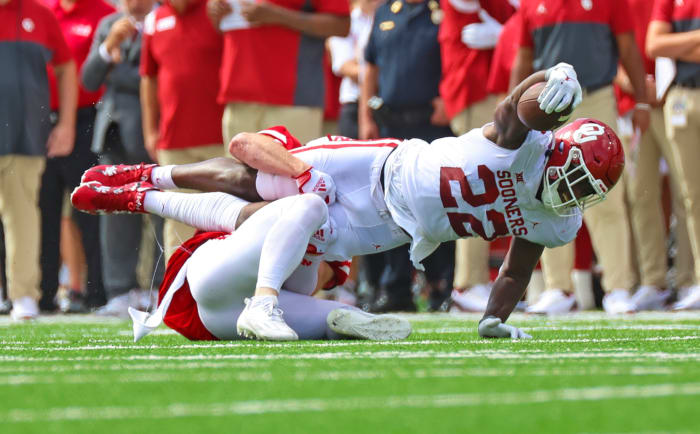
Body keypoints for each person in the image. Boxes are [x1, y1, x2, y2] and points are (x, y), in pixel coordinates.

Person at [72, 63, 624, 341]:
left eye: (583, 191)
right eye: (573, 176)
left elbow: (514, 271)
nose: (570, 192)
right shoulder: (525, 141)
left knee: (280, 222)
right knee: (265, 182)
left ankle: (144, 199)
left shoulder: (556, 219)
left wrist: (493, 322)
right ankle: (152, 177)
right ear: (560, 145)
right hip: (380, 166)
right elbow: (516, 106)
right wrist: (554, 75)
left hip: (394, 228)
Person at [511, 0, 649, 315]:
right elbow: (524, 58)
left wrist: (640, 102)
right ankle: (558, 288)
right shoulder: (531, 4)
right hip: (547, 102)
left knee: (606, 195)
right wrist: (513, 113)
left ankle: (617, 288)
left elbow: (628, 49)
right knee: (548, 194)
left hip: (596, 96)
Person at [359, 0, 455, 312]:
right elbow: (371, 67)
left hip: (432, 123)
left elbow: (456, 57)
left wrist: (449, 97)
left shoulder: (443, 9)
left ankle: (443, 287)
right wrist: (365, 117)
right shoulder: (386, 12)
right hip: (391, 122)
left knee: (438, 203)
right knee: (391, 206)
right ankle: (395, 287)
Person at [81, 0, 164, 317]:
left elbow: (155, 78)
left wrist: (115, 73)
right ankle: (119, 290)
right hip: (113, 132)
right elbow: (88, 80)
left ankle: (160, 286)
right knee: (114, 213)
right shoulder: (109, 24)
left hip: (153, 129)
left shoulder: (163, 21)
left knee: (161, 210)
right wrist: (108, 47)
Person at [1, 0, 78, 320]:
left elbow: (66, 67)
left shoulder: (42, 14)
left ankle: (23, 296)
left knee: (23, 218)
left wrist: (66, 124)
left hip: (26, 136)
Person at [439, 0, 517, 313]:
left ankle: (472, 280)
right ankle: (468, 282)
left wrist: (505, 33)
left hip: (484, 92)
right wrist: (507, 33)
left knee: (487, 188)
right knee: (477, 188)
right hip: (475, 92)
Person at [39, 0, 115, 313]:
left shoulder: (105, 14)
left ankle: (96, 292)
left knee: (88, 208)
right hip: (38, 119)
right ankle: (43, 295)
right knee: (43, 209)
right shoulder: (42, 11)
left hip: (88, 120)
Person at [140, 0, 225, 260]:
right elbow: (148, 79)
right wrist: (150, 131)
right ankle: (176, 295)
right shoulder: (154, 21)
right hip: (173, 139)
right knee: (177, 222)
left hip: (221, 139)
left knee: (225, 218)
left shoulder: (217, 10)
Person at [205, 0, 350, 147]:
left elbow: (342, 25)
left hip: (294, 97)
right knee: (236, 169)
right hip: (238, 95)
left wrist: (279, 16)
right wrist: (216, 13)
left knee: (293, 169)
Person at [647, 0, 700, 309]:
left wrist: (678, 45)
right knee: (692, 196)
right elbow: (654, 44)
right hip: (680, 96)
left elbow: (666, 45)